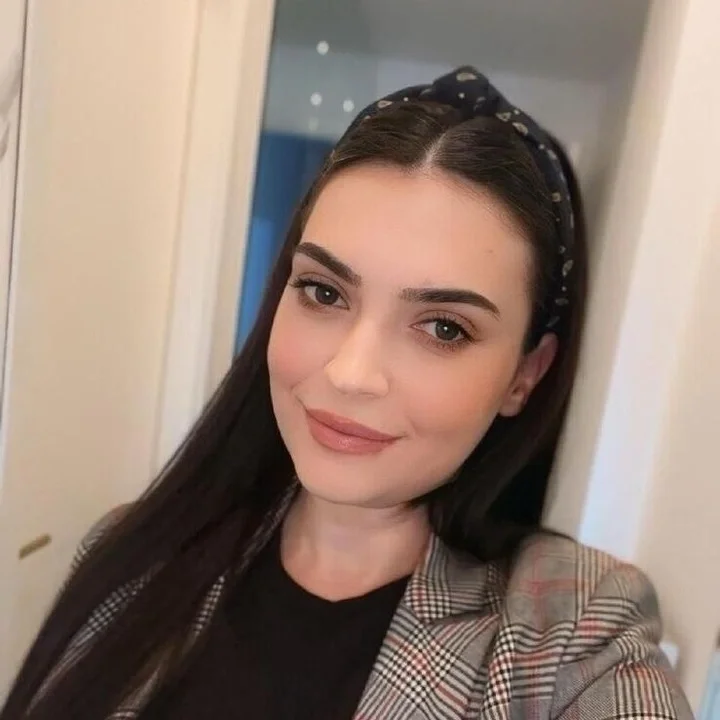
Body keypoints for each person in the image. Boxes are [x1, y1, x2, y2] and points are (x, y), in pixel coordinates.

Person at [0, 67, 693, 720]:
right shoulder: (133, 555)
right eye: (324, 292)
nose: (351, 372)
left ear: (525, 375)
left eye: (444, 328)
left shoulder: (575, 632)